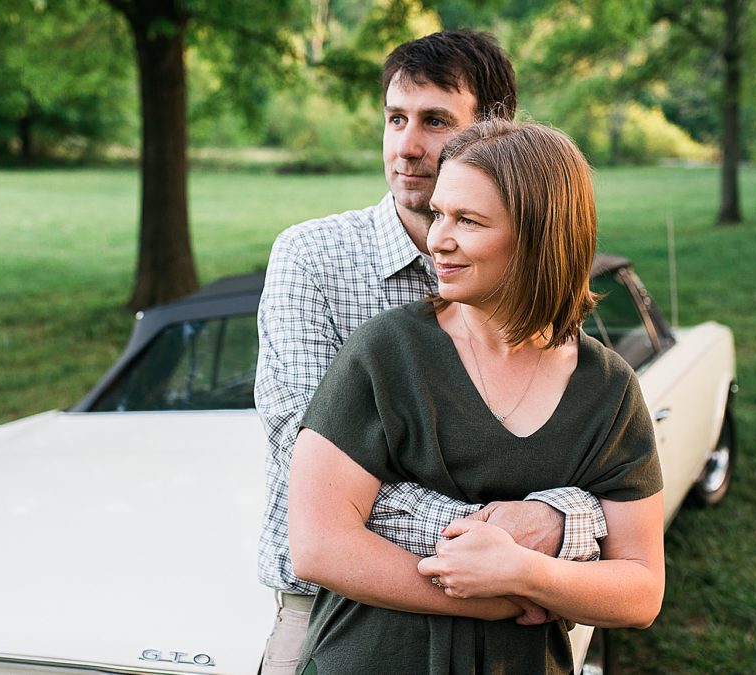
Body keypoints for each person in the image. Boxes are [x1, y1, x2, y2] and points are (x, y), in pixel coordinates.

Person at [255, 30, 608, 675]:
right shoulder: (312, 259)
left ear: (494, 135)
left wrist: (559, 522)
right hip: (337, 608)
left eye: (435, 121)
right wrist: (500, 546)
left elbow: (593, 456)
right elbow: (302, 449)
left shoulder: (539, 275)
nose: (407, 147)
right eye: (395, 119)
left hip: (521, 627)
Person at [287, 120, 665, 674]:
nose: (438, 238)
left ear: (541, 236)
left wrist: (525, 574)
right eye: (439, 213)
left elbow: (640, 588)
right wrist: (494, 602)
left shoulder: (607, 391)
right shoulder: (388, 352)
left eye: (468, 220)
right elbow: (319, 544)